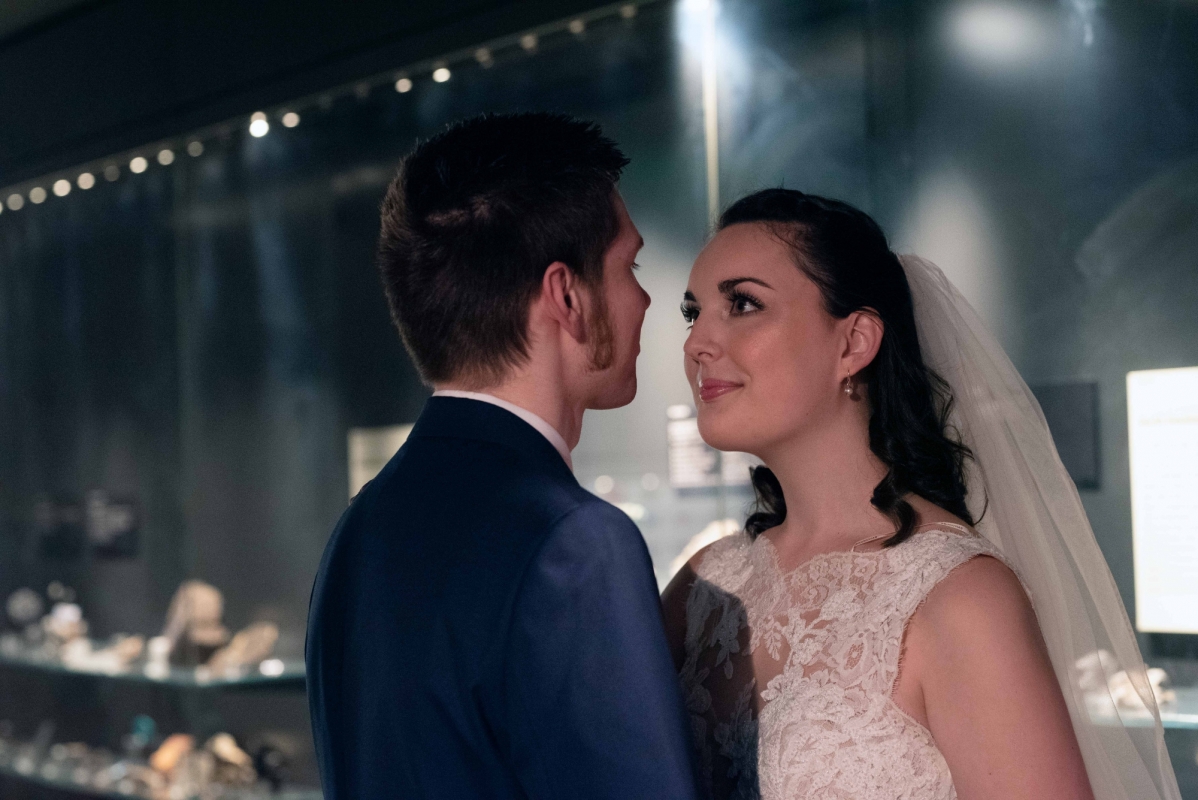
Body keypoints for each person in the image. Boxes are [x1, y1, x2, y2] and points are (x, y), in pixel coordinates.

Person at [663, 188, 1181, 799]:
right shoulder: (705, 585)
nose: (698, 343)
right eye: (694, 312)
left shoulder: (957, 597)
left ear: (853, 343)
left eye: (744, 304)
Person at [306, 113, 699, 800]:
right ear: (567, 297)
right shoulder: (575, 544)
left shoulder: (359, 529)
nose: (643, 297)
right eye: (628, 265)